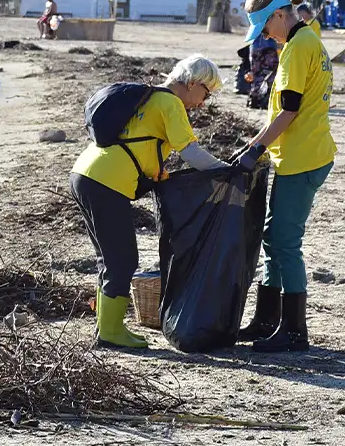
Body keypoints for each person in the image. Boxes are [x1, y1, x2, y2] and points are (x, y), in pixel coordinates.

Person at [71, 55, 229, 349]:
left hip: (84, 172)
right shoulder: (170, 103)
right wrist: (226, 171)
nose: (203, 103)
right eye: (206, 94)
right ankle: (110, 332)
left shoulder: (148, 97)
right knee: (122, 258)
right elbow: (191, 153)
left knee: (110, 257)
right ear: (193, 83)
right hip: (106, 182)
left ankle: (107, 327)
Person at [236, 0, 337, 353]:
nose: (264, 34)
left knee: (285, 243)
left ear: (281, 14)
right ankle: (266, 321)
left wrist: (258, 145)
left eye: (264, 26)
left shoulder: (298, 49)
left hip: (303, 157)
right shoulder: (305, 41)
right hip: (297, 154)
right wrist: (258, 144)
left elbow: (289, 111)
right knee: (271, 237)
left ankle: (294, 332)